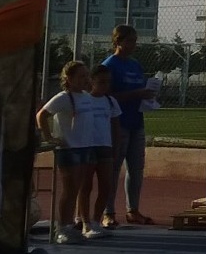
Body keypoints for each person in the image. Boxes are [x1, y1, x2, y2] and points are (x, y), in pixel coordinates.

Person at [101, 24, 156, 227]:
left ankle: (133, 210)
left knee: (136, 168)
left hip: (136, 121)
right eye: (129, 41)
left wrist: (148, 95)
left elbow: (140, 89)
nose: (133, 45)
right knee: (113, 168)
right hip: (118, 124)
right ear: (118, 42)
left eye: (135, 41)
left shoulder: (135, 65)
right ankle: (108, 212)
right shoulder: (109, 65)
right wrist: (135, 94)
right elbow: (105, 95)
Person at [36, 60, 96, 244]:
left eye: (87, 75)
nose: (86, 79)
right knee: (69, 190)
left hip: (85, 147)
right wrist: (50, 137)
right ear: (69, 78)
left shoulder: (86, 96)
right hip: (69, 149)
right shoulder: (63, 98)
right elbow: (42, 115)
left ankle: (71, 225)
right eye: (81, 76)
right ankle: (62, 228)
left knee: (78, 188)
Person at [77, 64, 122, 239]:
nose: (105, 86)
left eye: (108, 82)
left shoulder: (110, 101)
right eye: (101, 82)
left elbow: (116, 127)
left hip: (105, 147)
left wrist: (115, 148)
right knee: (85, 186)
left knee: (106, 186)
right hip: (87, 146)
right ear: (92, 81)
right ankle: (84, 222)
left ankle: (96, 221)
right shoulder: (84, 99)